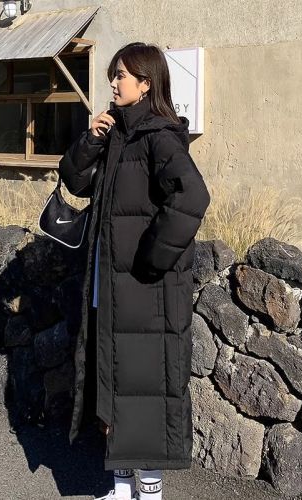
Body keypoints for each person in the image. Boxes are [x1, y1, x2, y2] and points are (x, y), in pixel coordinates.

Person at [59, 42, 211, 500]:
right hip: (111, 283)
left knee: (144, 384)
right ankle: (122, 486)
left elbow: (192, 196)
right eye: (114, 74)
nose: (113, 82)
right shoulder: (117, 133)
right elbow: (75, 181)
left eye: (121, 75)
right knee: (117, 383)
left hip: (145, 287)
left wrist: (153, 257)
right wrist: (91, 139)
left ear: (146, 83)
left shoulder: (158, 136)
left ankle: (149, 488)